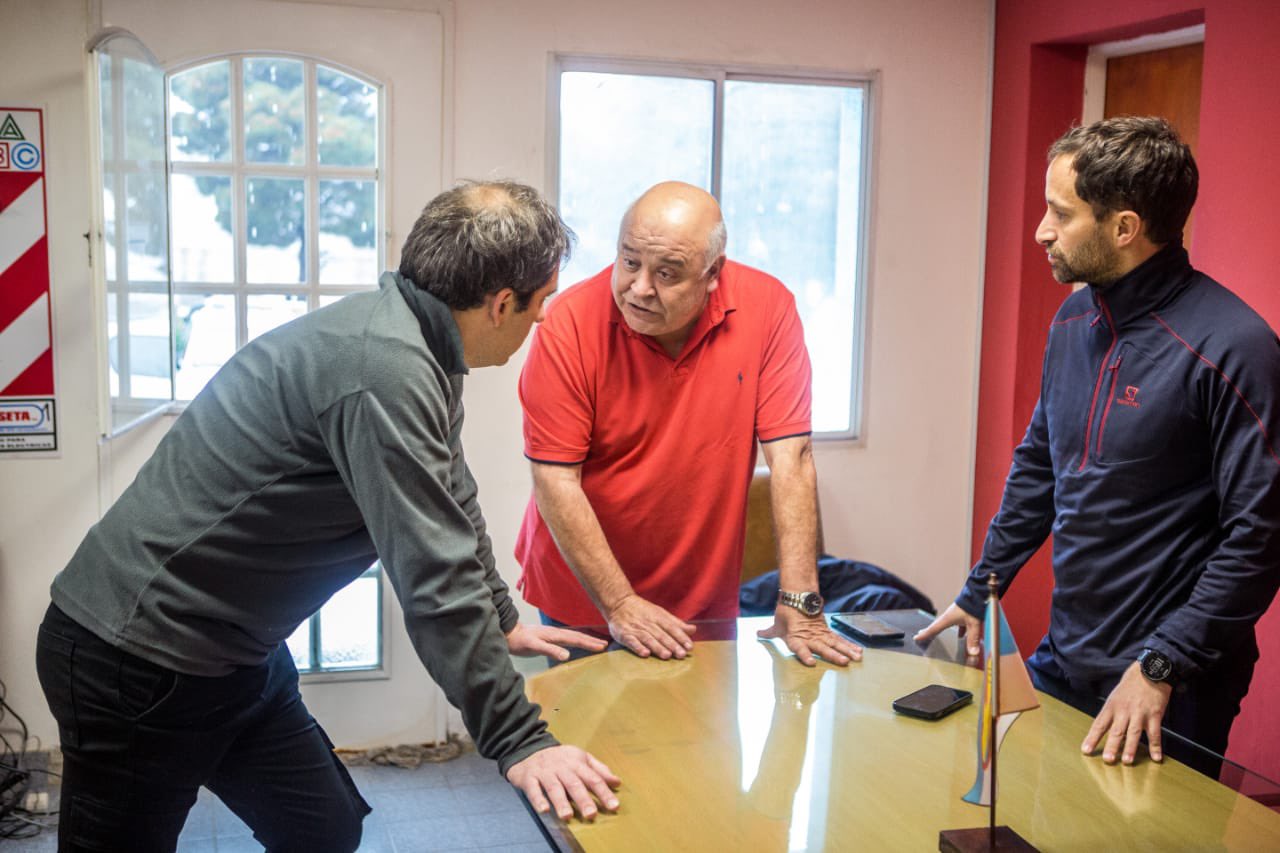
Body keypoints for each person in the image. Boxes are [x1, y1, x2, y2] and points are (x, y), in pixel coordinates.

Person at [36, 180, 621, 852]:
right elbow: (433, 576)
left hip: (234, 651)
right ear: (501, 303)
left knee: (321, 828)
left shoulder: (424, 343)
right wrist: (520, 740)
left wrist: (501, 615)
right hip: (135, 654)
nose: (543, 319)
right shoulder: (385, 369)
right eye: (542, 301)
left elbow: (452, 494)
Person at [916, 117, 1280, 772]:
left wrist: (1162, 664)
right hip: (1067, 653)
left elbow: (1261, 535)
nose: (1042, 231)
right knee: (1033, 811)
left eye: (1061, 213)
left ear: (1124, 227)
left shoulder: (1235, 347)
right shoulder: (1074, 318)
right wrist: (980, 589)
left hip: (1170, 682)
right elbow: (1039, 468)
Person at [514, 181, 862, 667]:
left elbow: (792, 458)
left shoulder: (767, 308)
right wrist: (620, 603)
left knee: (702, 720)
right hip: (585, 596)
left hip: (701, 596)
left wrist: (799, 600)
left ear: (713, 272)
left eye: (667, 273)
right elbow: (555, 479)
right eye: (629, 261)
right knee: (590, 718)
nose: (639, 288)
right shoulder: (569, 323)